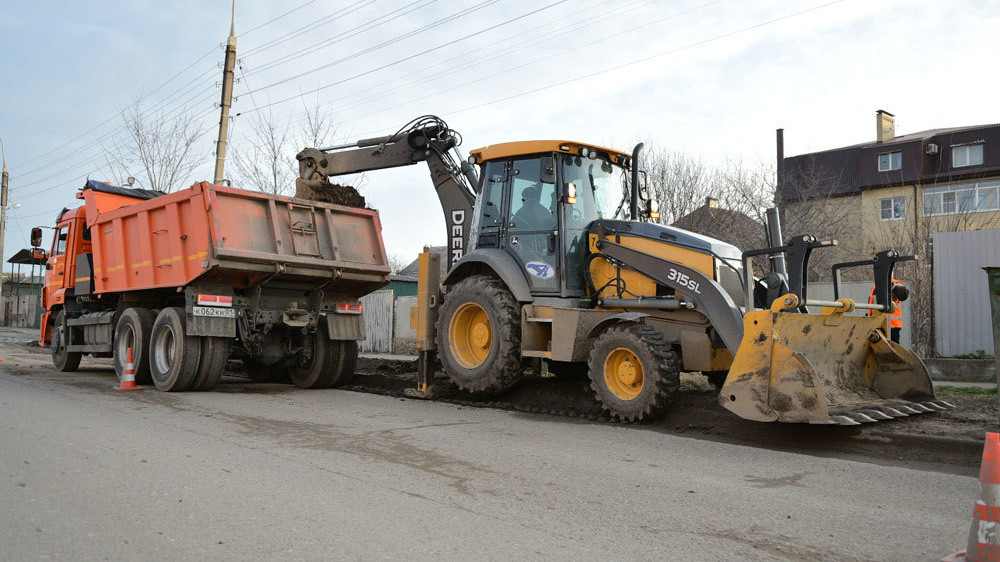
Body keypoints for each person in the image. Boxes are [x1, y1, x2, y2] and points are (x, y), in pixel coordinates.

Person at [867, 279, 908, 343]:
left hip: (892, 325)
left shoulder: (895, 284)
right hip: (878, 324)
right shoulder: (877, 286)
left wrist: (893, 287)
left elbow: (903, 294)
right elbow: (871, 304)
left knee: (892, 347)